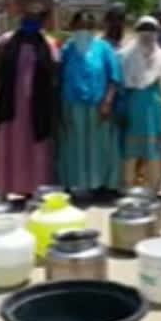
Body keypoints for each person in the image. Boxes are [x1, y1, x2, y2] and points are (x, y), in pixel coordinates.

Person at [0, 3, 58, 195]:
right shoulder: (4, 42)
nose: (30, 23)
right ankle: (3, 187)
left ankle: (33, 189)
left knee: (36, 148)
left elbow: (56, 76)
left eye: (35, 20)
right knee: (8, 145)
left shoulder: (49, 44)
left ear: (42, 22)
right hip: (10, 107)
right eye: (27, 19)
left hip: (38, 109)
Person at [58, 10, 122, 194]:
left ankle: (101, 184)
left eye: (87, 26)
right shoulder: (67, 48)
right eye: (79, 26)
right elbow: (59, 76)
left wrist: (108, 102)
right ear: (72, 27)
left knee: (99, 145)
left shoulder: (104, 48)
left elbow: (114, 77)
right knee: (74, 144)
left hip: (98, 104)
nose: (83, 30)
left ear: (93, 28)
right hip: (72, 103)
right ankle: (77, 185)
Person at [118, 16, 161, 192]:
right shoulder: (124, 55)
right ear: (137, 32)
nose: (147, 34)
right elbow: (121, 85)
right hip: (133, 106)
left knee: (153, 149)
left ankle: (153, 188)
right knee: (130, 149)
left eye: (151, 30)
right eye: (143, 30)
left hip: (155, 107)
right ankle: (128, 186)